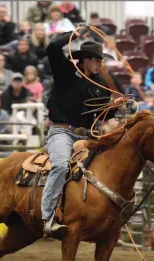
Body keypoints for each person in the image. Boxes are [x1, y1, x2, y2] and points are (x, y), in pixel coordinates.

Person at [42, 35, 121, 236]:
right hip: (61, 131)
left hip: (86, 136)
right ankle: (47, 215)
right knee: (60, 165)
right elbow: (52, 46)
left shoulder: (100, 83)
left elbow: (105, 113)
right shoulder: (65, 71)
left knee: (111, 166)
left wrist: (118, 108)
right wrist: (72, 35)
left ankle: (106, 222)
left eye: (101, 60)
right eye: (96, 60)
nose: (100, 64)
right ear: (84, 59)